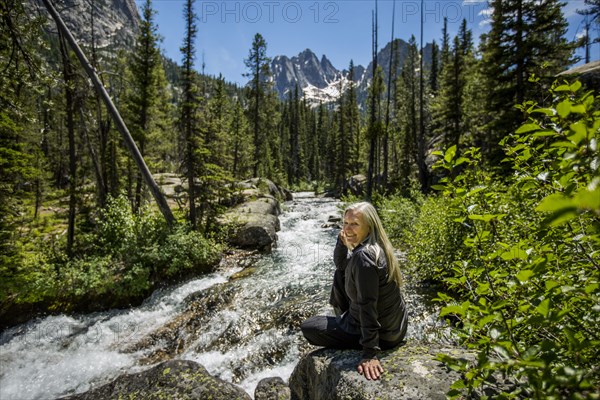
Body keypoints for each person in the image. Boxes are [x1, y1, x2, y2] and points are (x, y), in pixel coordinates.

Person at [300, 201, 408, 380]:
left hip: (383, 337)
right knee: (339, 274)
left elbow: (368, 305)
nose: (348, 228)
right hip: (396, 328)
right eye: (345, 223)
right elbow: (341, 265)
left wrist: (370, 353)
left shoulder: (364, 258)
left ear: (369, 227)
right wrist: (342, 241)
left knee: (310, 327)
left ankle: (350, 327)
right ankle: (347, 320)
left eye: (355, 224)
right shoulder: (377, 247)